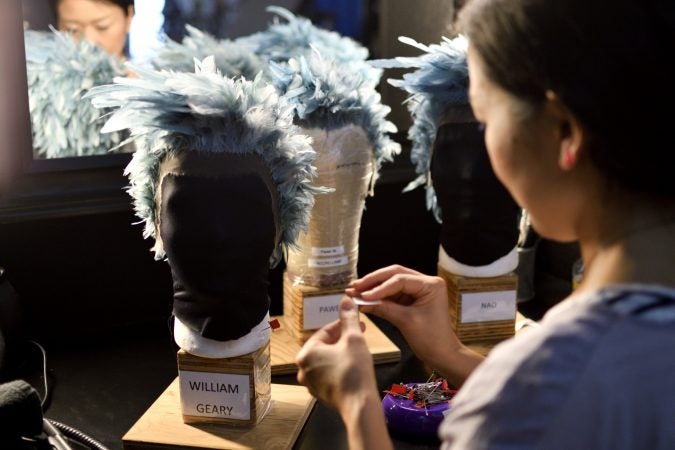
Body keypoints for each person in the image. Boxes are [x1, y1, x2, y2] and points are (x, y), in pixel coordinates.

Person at [295, 0, 675, 448]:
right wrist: (453, 356)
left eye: (485, 115)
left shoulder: (549, 380)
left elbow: (540, 403)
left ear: (563, 131)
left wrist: (356, 401)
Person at [51, 0, 134, 59]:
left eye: (102, 27)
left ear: (128, 18)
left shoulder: (142, 81)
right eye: (73, 29)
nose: (89, 41)